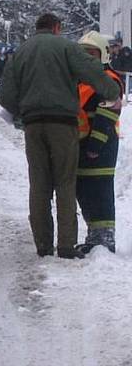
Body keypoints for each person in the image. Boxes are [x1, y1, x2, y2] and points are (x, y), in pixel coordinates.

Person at [0, 14, 120, 259]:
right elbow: (94, 74)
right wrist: (112, 89)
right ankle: (65, 246)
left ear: (37, 27)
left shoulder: (21, 52)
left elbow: (4, 95)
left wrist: (22, 114)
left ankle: (43, 245)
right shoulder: (66, 47)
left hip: (33, 126)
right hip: (63, 125)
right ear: (56, 27)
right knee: (65, 182)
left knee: (39, 185)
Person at [75, 32, 124, 253]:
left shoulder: (110, 79)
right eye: (83, 54)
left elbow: (108, 114)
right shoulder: (78, 78)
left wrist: (96, 144)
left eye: (92, 53)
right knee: (83, 189)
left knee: (100, 190)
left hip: (102, 145)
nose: (87, 58)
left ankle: (105, 238)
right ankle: (94, 234)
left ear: (103, 55)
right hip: (80, 144)